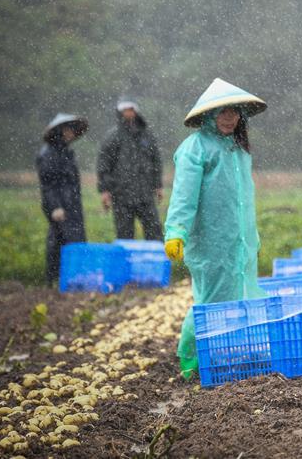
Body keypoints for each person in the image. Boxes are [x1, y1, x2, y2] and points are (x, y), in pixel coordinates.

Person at [163, 78, 267, 379]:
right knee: (210, 302)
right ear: (209, 115)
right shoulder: (195, 148)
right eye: (223, 112)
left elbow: (244, 200)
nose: (229, 117)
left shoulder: (239, 149)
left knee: (241, 299)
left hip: (241, 242)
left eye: (235, 112)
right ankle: (191, 357)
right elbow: (184, 197)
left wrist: (252, 237)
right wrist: (176, 232)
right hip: (210, 242)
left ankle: (227, 356)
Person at [97, 98, 164, 240]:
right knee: (124, 234)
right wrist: (104, 190)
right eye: (125, 110)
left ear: (136, 111)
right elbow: (103, 164)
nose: (128, 113)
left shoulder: (147, 135)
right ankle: (126, 262)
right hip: (121, 195)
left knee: (155, 231)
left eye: (131, 109)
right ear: (120, 113)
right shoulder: (113, 136)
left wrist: (158, 185)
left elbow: (156, 161)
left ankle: (156, 261)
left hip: (145, 194)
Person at [36, 113, 89, 287]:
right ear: (59, 131)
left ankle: (73, 279)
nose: (71, 133)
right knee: (58, 241)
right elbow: (48, 185)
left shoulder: (66, 152)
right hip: (60, 206)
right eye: (68, 129)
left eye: (73, 130)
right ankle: (54, 281)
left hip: (72, 204)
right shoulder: (48, 153)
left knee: (75, 240)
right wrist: (55, 207)